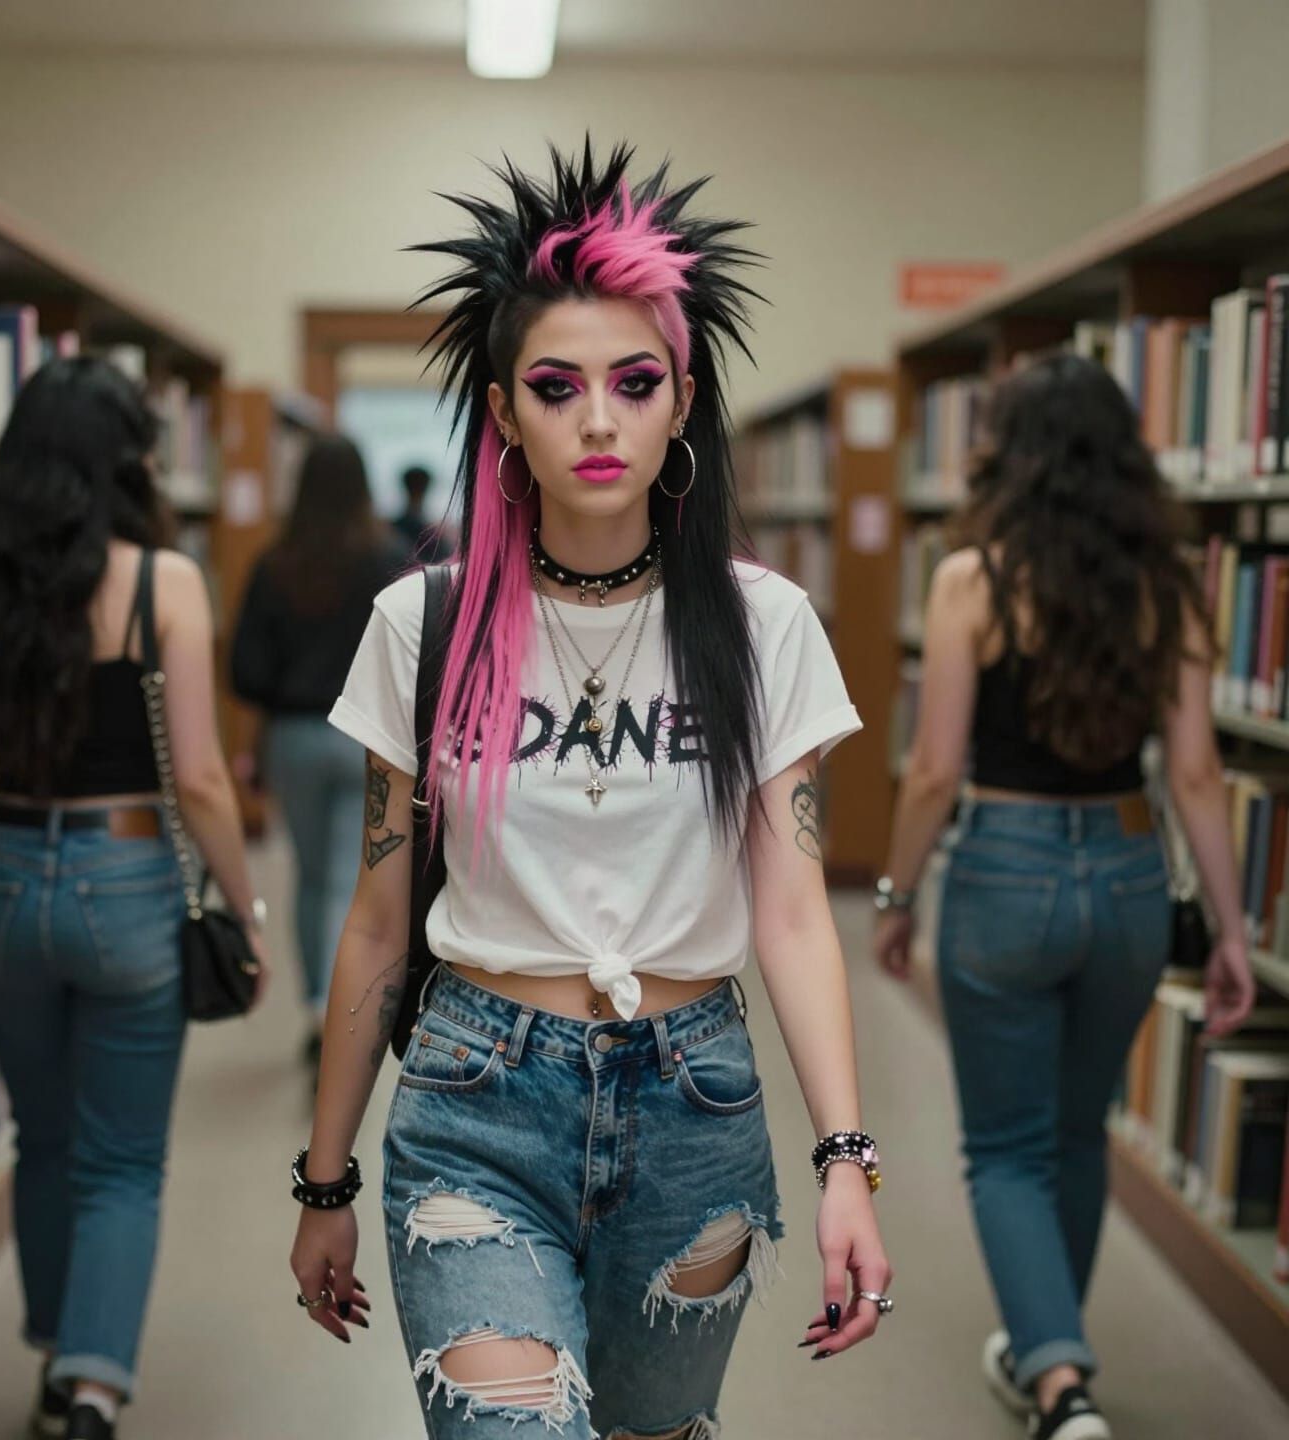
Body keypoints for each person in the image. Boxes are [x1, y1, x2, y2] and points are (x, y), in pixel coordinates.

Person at [288, 141, 892, 1439]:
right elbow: (382, 919)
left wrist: (846, 1160)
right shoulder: (424, 624)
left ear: (685, 401)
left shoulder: (763, 626)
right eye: (558, 388)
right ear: (505, 413)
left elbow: (791, 912)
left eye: (636, 382)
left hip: (697, 1108)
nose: (601, 419)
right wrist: (324, 1179)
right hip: (474, 1106)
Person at [873, 354, 1256, 1440]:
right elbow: (1191, 773)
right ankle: (1052, 1357)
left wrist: (897, 895)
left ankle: (1060, 1387)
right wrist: (1229, 928)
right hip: (1132, 877)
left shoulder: (972, 580)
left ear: (1010, 456)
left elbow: (935, 771)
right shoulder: (1166, 582)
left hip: (1004, 875)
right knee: (1082, 1132)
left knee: (1005, 1146)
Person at [0, 357, 269, 1440]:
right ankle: (92, 1388)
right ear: (127, 462)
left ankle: (52, 1351)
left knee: (45, 1140)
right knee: (123, 1158)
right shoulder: (165, 581)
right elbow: (202, 780)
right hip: (126, 884)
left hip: (4, 876)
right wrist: (245, 910)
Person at [231, 434, 408, 1059]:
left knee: (310, 877)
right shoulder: (389, 556)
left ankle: (315, 1007)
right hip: (370, 735)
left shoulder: (275, 564)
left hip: (296, 738)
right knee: (349, 876)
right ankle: (345, 1012)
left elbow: (245, 669)